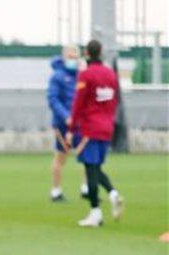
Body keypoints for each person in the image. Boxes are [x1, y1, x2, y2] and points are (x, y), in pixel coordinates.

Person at [67, 39, 124, 228]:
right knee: (96, 167)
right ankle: (113, 195)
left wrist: (71, 128)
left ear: (87, 54)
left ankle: (95, 212)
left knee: (90, 169)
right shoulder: (111, 74)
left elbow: (78, 103)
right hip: (106, 127)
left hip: (90, 128)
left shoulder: (86, 75)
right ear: (100, 53)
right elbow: (115, 100)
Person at [46, 45, 87, 202]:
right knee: (61, 156)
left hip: (80, 123)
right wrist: (66, 117)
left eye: (75, 57)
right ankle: (56, 191)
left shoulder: (81, 75)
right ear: (64, 57)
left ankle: (86, 188)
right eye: (70, 56)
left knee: (86, 155)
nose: (73, 60)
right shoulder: (57, 76)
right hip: (63, 124)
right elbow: (53, 100)